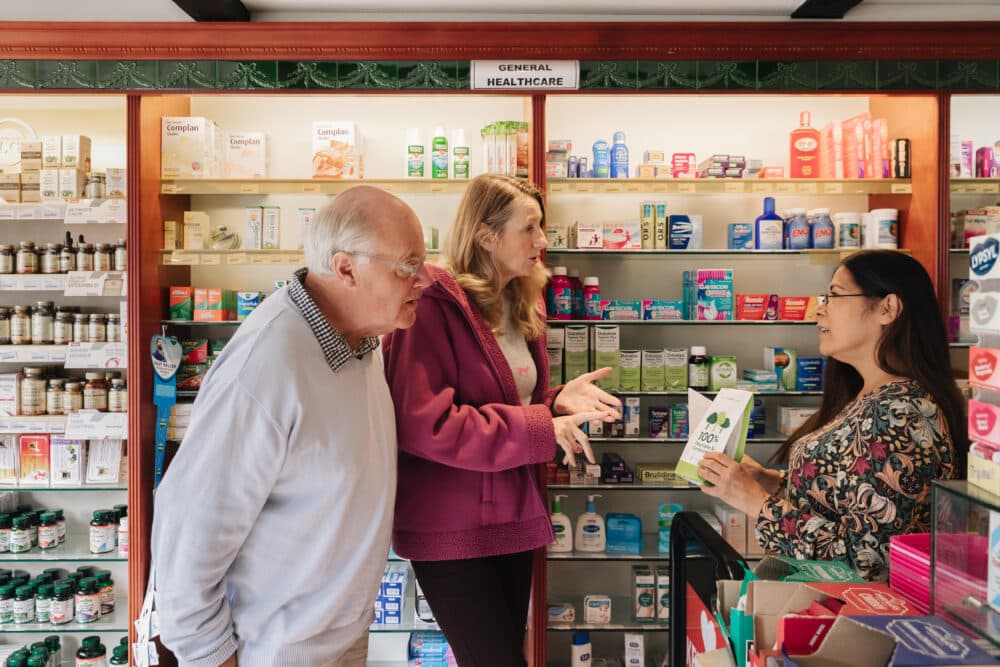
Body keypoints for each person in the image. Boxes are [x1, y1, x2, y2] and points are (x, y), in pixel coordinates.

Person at [151, 186, 433, 667]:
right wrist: (209, 657)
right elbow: (186, 540)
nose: (424, 279)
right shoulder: (266, 366)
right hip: (274, 653)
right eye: (408, 266)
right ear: (346, 269)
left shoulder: (360, 344)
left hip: (340, 640)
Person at [382, 174, 621, 667]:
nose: (543, 241)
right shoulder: (430, 305)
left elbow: (505, 400)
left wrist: (555, 402)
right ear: (486, 235)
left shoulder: (520, 301)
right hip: (452, 528)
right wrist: (542, 426)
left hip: (512, 515)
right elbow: (426, 424)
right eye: (529, 228)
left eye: (543, 227)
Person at [698, 250, 967, 582]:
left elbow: (870, 561)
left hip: (854, 619)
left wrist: (757, 503)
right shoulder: (870, 397)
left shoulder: (901, 413)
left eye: (835, 296)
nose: (819, 310)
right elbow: (852, 500)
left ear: (888, 308)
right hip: (822, 611)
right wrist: (775, 483)